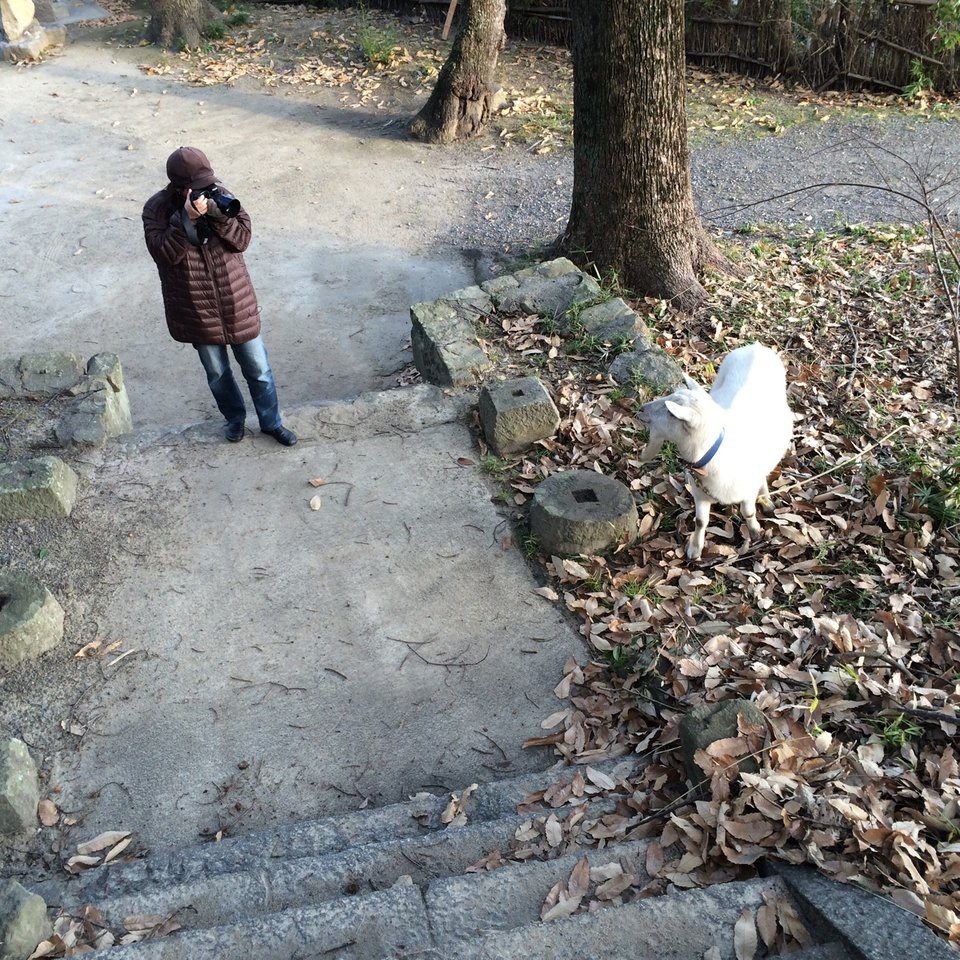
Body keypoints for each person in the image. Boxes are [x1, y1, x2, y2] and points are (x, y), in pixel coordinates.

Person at [142, 147, 297, 446]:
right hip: (196, 307)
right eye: (197, 186)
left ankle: (271, 423)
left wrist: (217, 215)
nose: (206, 190)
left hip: (236, 301)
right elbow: (163, 253)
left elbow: (242, 240)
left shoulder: (219, 196)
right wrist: (183, 219)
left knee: (259, 369)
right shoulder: (157, 209)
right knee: (217, 373)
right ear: (181, 187)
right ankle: (235, 420)